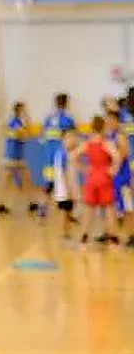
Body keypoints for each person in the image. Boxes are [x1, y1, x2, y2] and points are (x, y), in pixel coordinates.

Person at [75, 115, 119, 245]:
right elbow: (116, 156)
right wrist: (113, 170)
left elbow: (72, 156)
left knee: (89, 208)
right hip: (104, 176)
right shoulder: (106, 143)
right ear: (103, 127)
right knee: (110, 208)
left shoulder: (87, 143)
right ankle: (113, 237)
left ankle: (84, 235)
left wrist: (83, 168)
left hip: (92, 176)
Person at [0, 101, 38, 217]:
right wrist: (25, 129)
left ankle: (32, 203)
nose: (26, 112)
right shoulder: (14, 123)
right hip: (11, 157)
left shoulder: (21, 123)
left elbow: (28, 133)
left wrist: (27, 122)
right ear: (20, 111)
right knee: (7, 182)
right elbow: (21, 135)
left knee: (27, 179)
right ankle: (1, 204)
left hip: (19, 157)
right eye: (25, 110)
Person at [41, 93, 76, 216]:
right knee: (66, 186)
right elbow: (72, 138)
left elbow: (43, 138)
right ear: (66, 103)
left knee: (49, 185)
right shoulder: (68, 119)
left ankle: (43, 209)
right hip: (61, 157)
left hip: (48, 157)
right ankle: (68, 215)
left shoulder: (48, 119)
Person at [103, 110, 133, 246]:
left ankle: (131, 235)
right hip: (113, 177)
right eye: (106, 120)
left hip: (122, 177)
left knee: (127, 208)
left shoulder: (120, 136)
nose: (108, 122)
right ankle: (111, 233)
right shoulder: (109, 136)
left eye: (110, 120)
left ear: (116, 121)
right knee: (112, 207)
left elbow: (124, 153)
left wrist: (114, 167)